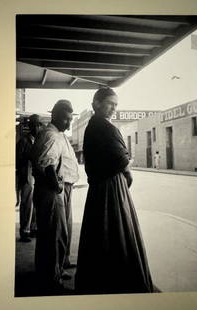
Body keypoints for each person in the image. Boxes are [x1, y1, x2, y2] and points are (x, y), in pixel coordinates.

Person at [74, 87, 154, 295]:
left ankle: (100, 281)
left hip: (101, 188)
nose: (113, 109)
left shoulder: (94, 126)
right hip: (112, 188)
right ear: (96, 104)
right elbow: (122, 158)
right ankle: (121, 283)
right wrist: (127, 174)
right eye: (110, 103)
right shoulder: (104, 127)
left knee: (101, 232)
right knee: (118, 232)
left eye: (116, 105)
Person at [31, 100, 79, 294]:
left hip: (59, 188)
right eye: (65, 119)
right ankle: (50, 279)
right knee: (53, 234)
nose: (69, 124)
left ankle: (56, 269)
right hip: (52, 190)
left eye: (70, 119)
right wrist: (58, 186)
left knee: (59, 232)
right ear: (55, 116)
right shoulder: (51, 135)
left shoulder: (57, 134)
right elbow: (47, 164)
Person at [16, 114, 42, 242]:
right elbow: (18, 160)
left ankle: (33, 228)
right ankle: (24, 231)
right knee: (26, 205)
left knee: (35, 204)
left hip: (35, 176)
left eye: (38, 125)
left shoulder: (38, 141)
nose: (36, 128)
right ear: (30, 126)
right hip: (26, 176)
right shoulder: (24, 141)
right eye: (34, 125)